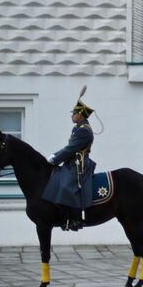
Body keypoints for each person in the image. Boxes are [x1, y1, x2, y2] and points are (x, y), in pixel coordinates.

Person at [43, 94, 97, 231]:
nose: (71, 115)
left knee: (67, 185)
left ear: (80, 115)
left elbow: (70, 149)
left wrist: (55, 160)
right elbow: (68, 148)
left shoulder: (84, 131)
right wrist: (54, 155)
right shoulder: (77, 128)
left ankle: (75, 219)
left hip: (79, 164)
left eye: (74, 113)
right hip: (72, 162)